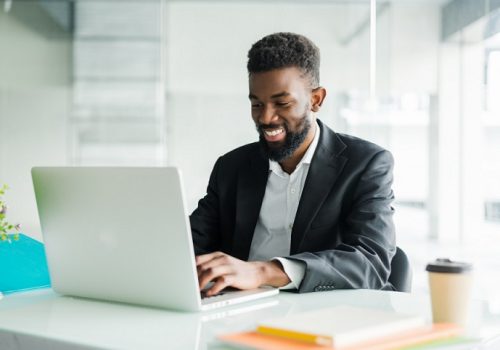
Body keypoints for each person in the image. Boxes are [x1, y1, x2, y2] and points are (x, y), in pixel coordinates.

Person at [190, 32, 396, 296]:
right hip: (238, 309)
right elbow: (191, 245)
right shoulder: (231, 167)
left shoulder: (366, 164)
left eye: (282, 103)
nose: (265, 117)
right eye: (256, 103)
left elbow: (370, 262)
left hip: (323, 314)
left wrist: (263, 271)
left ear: (316, 100)